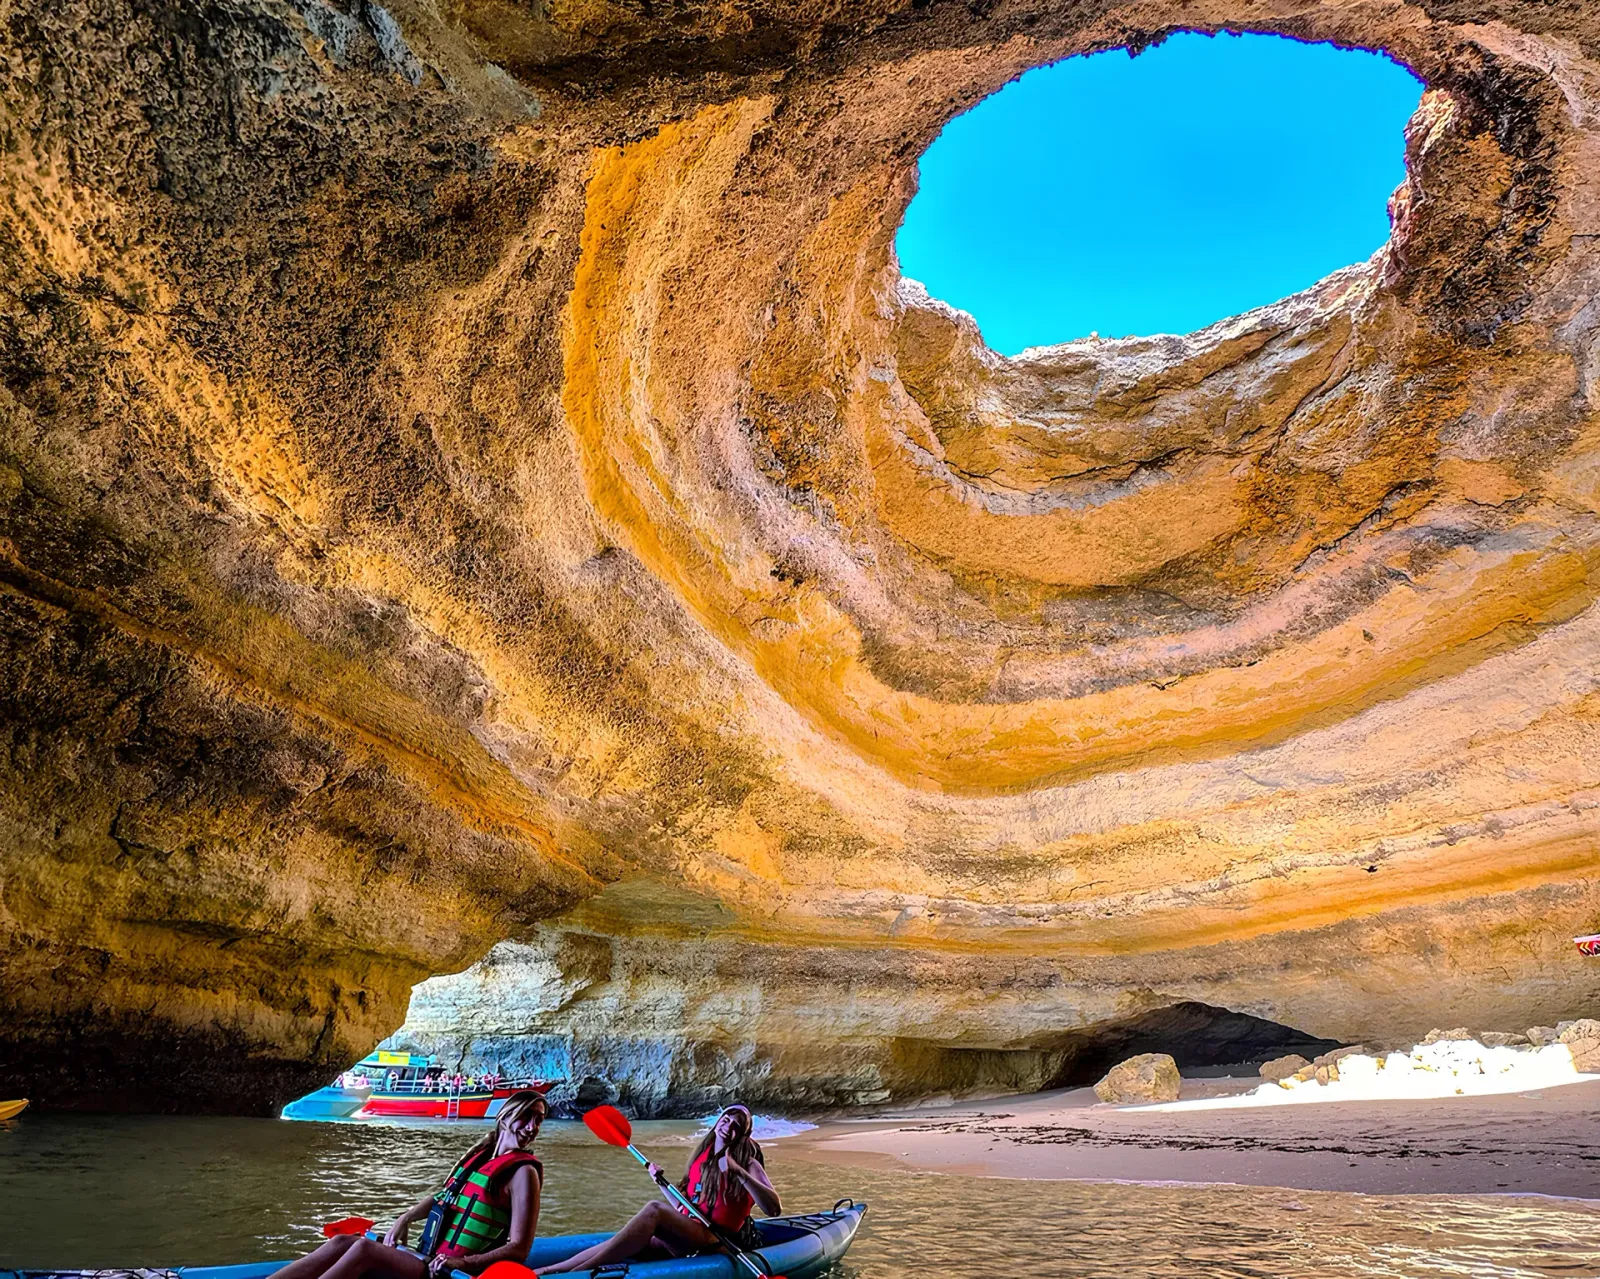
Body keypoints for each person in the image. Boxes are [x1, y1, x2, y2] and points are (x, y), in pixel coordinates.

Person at [269, 1089, 548, 1279]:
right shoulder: (481, 1157)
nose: (532, 1126)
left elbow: (519, 1248)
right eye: (526, 1116)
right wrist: (406, 1217)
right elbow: (444, 1197)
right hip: (430, 1257)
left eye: (539, 1120)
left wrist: (462, 1263)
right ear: (505, 1116)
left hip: (450, 1272)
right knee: (344, 1240)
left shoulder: (523, 1172)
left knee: (364, 1249)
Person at [542, 1104, 780, 1274]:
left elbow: (773, 1209)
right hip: (689, 1233)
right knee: (616, 1242)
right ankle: (549, 1269)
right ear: (718, 1122)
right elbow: (681, 1205)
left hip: (713, 1240)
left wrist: (739, 1172)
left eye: (736, 1126)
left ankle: (576, 1274)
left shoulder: (749, 1163)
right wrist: (660, 1182)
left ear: (743, 1135)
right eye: (726, 1120)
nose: (728, 1127)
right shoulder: (703, 1157)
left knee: (654, 1209)